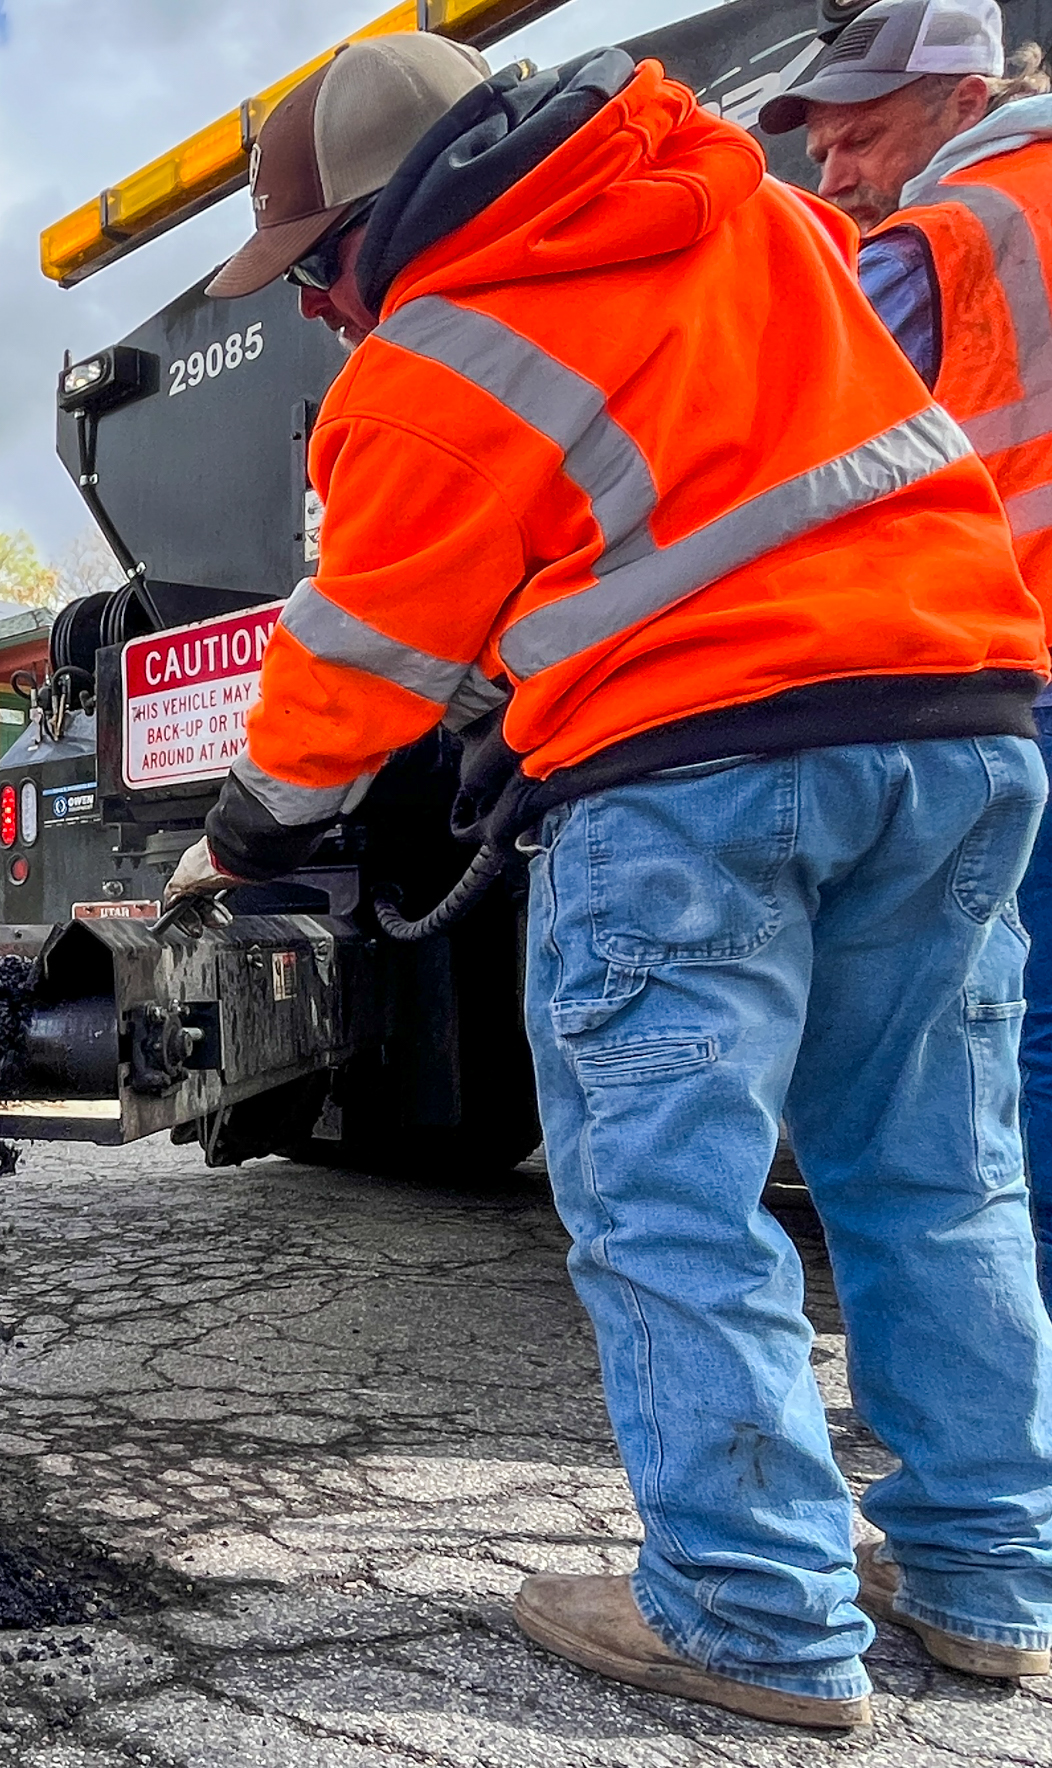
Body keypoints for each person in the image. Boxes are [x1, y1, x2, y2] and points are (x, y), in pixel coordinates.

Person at [175, 29, 1052, 1727]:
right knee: (940, 1174)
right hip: (960, 729)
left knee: (671, 1195)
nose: (317, 310)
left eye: (318, 268)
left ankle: (752, 1612)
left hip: (700, 784)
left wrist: (239, 843)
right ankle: (991, 1578)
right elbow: (718, 500)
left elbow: (348, 674)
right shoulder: (756, 212)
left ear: (382, 223)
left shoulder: (441, 353)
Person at [763, 0, 1052, 1304]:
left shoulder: (944, 237)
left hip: (1006, 667)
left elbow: (784, 451)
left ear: (965, 106)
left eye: (860, 140)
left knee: (1007, 1038)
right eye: (820, 153)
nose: (835, 178)